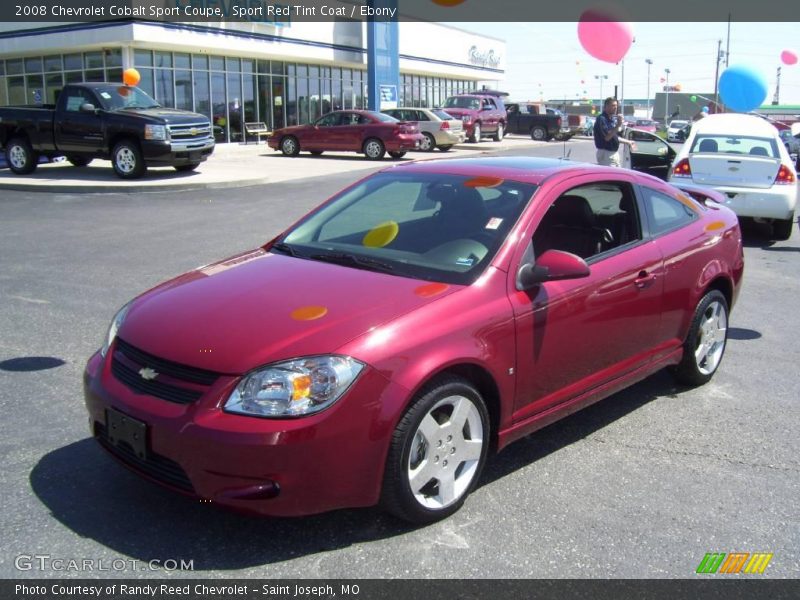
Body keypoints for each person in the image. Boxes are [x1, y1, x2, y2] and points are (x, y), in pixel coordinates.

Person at [593, 97, 625, 166]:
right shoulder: (601, 119)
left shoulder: (612, 119)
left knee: (618, 176)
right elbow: (607, 137)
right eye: (613, 105)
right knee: (610, 176)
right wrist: (617, 125)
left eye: (616, 105)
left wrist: (620, 125)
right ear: (606, 107)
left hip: (613, 154)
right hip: (606, 154)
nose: (615, 108)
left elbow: (615, 136)